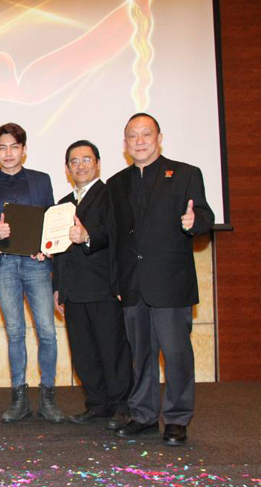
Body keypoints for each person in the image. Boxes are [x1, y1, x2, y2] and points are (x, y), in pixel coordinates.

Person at [108, 113, 214, 446]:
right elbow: (115, 237)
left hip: (171, 281)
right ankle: (143, 415)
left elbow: (205, 216)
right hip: (132, 284)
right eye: (132, 136)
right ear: (125, 143)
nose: (139, 141)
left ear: (159, 138)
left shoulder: (185, 174)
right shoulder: (116, 183)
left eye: (146, 134)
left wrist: (195, 222)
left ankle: (178, 418)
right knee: (141, 355)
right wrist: (117, 283)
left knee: (176, 353)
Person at [0, 122, 64, 423]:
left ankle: (48, 397)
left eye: (14, 146)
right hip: (4, 265)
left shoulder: (42, 180)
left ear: (24, 149)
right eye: (2, 147)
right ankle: (19, 398)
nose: (8, 153)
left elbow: (53, 220)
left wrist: (47, 247)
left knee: (47, 331)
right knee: (15, 332)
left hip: (36, 263)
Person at [52, 140, 132, 430]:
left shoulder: (110, 194)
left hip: (103, 287)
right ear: (67, 168)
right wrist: (58, 288)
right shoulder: (62, 204)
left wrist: (87, 236)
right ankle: (96, 405)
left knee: (112, 349)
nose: (80, 166)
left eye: (86, 159)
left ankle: (121, 406)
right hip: (73, 290)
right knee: (83, 351)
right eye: (74, 161)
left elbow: (115, 233)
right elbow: (59, 250)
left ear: (97, 163)